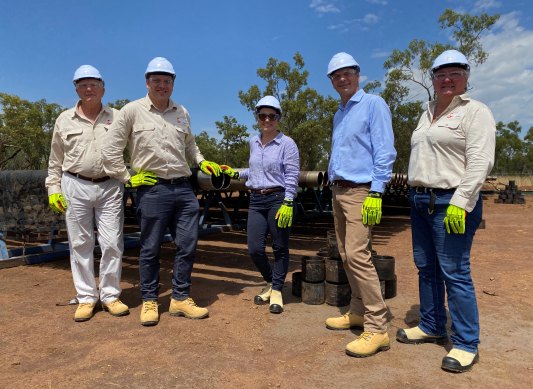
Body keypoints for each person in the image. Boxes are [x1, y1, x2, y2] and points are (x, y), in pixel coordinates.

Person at [101, 57, 227, 326]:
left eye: (167, 81)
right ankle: (149, 300)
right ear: (147, 82)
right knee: (150, 248)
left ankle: (180, 298)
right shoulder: (131, 111)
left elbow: (190, 145)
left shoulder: (181, 111)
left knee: (188, 245)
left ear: (173, 84)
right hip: (153, 190)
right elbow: (110, 151)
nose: (162, 85)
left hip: (183, 189)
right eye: (156, 80)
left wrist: (202, 161)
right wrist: (127, 178)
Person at [396, 49, 495, 373]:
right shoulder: (426, 113)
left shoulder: (475, 112)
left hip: (452, 202)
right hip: (421, 201)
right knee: (426, 267)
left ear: (466, 77)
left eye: (454, 73)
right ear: (433, 79)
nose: (447, 79)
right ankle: (431, 323)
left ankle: (466, 343)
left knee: (455, 271)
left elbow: (480, 161)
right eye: (440, 74)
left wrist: (462, 201)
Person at [324, 52, 397, 357]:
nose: (342, 78)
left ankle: (377, 327)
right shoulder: (339, 113)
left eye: (347, 73)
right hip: (339, 190)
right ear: (332, 81)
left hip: (361, 191)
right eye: (336, 75)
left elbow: (384, 150)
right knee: (345, 253)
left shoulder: (373, 104)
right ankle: (356, 310)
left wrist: (377, 192)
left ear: (358, 74)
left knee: (358, 254)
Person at [45, 65, 128, 322]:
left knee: (112, 243)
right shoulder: (64, 119)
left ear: (103, 87)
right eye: (82, 85)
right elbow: (55, 159)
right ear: (76, 89)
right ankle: (86, 298)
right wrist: (53, 188)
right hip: (75, 184)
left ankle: (110, 296)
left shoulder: (118, 117)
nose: (88, 89)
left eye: (93, 84)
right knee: (80, 244)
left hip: (110, 184)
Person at [222, 96, 299, 314]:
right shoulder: (253, 142)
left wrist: (288, 201)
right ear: (258, 118)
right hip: (256, 199)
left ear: (278, 118)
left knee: (279, 247)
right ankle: (272, 281)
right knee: (254, 248)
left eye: (271, 116)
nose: (267, 120)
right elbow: (255, 171)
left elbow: (292, 175)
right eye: (263, 116)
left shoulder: (287, 143)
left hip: (278, 199)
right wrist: (234, 172)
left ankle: (276, 290)